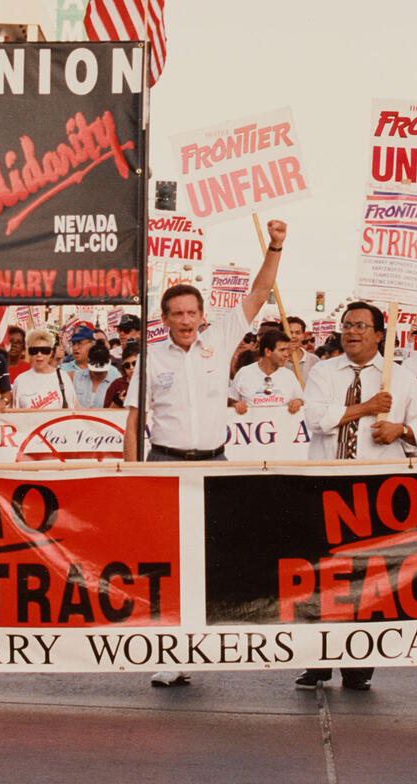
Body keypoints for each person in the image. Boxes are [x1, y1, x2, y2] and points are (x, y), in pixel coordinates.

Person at [124, 218, 288, 688]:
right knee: (168, 561)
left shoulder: (220, 339)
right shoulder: (151, 358)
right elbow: (135, 418)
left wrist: (276, 246)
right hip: (166, 463)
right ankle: (172, 650)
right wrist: (135, 471)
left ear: (202, 314)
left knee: (216, 555)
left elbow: (259, 293)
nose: (184, 320)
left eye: (191, 312)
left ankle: (206, 640)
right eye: (175, 313)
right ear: (165, 318)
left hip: (214, 465)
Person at [295, 301, 417, 692]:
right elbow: (317, 419)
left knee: (370, 579)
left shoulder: (402, 379)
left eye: (360, 325)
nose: (351, 332)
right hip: (328, 486)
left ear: (379, 334)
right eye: (346, 325)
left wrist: (400, 431)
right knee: (323, 579)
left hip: (376, 492)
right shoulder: (323, 371)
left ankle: (359, 666)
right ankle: (318, 664)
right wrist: (366, 408)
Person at [230, 328, 304, 414]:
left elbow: (301, 399)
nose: (286, 354)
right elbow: (231, 399)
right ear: (268, 352)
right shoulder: (244, 373)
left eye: (287, 350)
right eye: (282, 350)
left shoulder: (289, 375)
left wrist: (298, 402)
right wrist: (236, 404)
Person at [12, 328, 78, 409]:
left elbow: (74, 409)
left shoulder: (63, 377)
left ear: (50, 353)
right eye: (34, 350)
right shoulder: (20, 381)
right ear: (29, 353)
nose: (39, 354)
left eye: (44, 350)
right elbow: (14, 414)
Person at [74, 342, 117, 408]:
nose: (98, 374)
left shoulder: (115, 380)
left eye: (102, 372)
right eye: (95, 371)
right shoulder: (77, 377)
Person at [105, 343, 139, 408]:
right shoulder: (116, 384)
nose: (131, 367)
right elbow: (105, 411)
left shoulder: (152, 382)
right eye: (127, 365)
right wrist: (118, 402)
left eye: (135, 363)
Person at [286, 315, 319, 382]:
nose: (293, 336)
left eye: (297, 333)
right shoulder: (277, 359)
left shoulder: (314, 361)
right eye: (290, 332)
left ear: (303, 336)